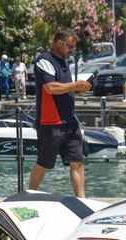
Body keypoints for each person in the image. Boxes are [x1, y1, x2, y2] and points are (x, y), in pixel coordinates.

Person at [28, 27, 92, 198]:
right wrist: (74, 85)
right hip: (50, 124)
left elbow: (65, 90)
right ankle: (29, 195)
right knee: (43, 163)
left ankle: (82, 200)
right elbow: (50, 88)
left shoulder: (64, 61)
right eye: (70, 47)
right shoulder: (44, 61)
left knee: (77, 162)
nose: (72, 51)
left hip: (70, 122)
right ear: (59, 43)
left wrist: (79, 90)